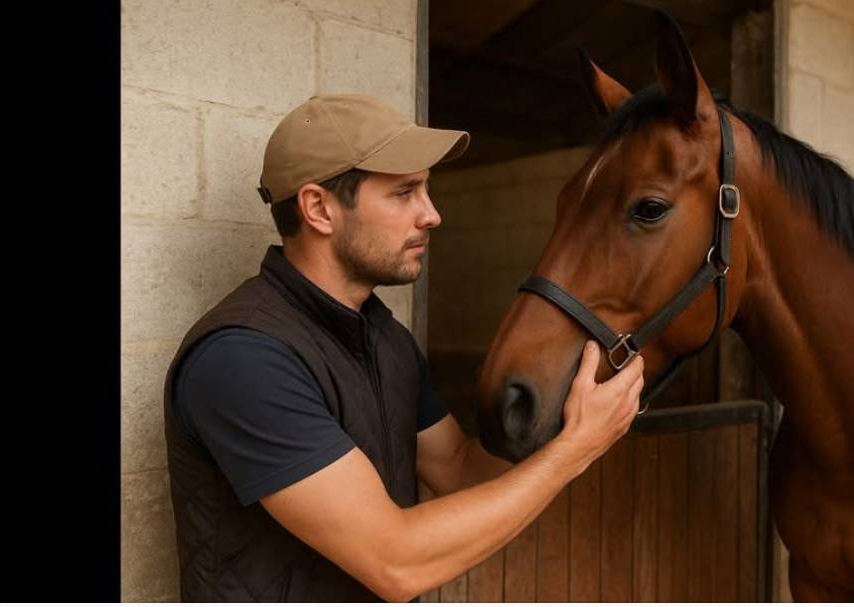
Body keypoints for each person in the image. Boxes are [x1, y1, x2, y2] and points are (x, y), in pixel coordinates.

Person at [162, 93, 645, 601]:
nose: (431, 215)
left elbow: (457, 469)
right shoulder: (243, 358)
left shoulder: (385, 338)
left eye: (427, 191)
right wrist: (572, 453)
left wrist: (575, 413)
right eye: (404, 193)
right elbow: (395, 561)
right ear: (319, 209)